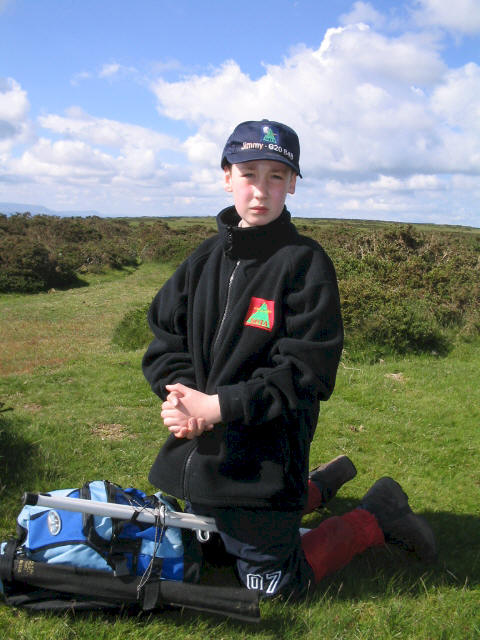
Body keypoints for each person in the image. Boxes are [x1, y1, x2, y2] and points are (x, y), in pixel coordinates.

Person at [142, 119, 436, 599]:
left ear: (293, 183)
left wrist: (218, 407)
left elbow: (308, 371)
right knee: (206, 553)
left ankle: (374, 513)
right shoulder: (201, 259)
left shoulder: (305, 263)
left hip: (266, 462)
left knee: (272, 588)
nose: (261, 190)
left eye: (276, 176)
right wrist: (180, 398)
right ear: (226, 176)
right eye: (249, 173)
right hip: (202, 461)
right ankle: (316, 488)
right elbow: (164, 337)